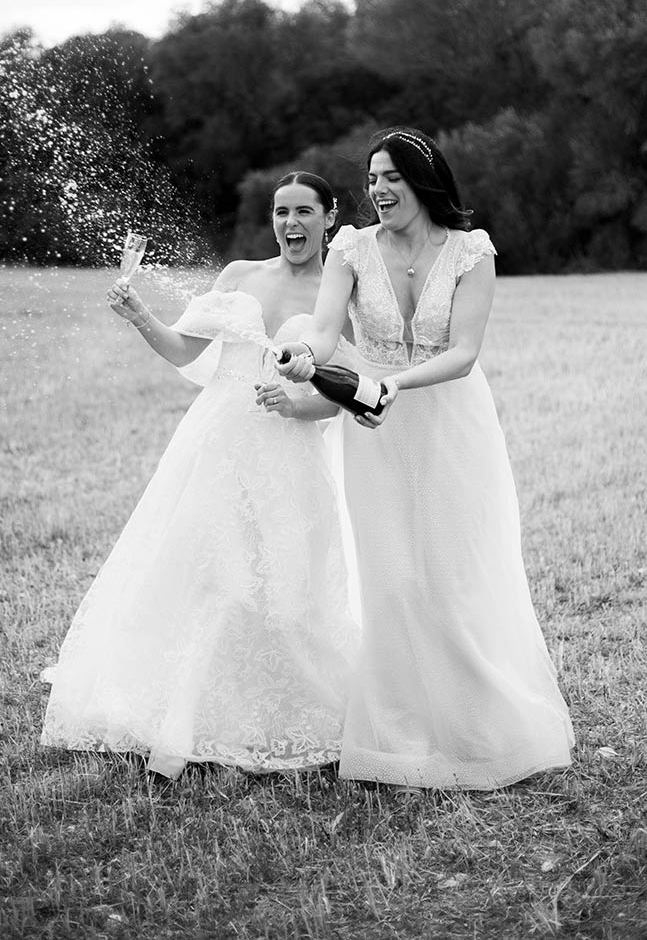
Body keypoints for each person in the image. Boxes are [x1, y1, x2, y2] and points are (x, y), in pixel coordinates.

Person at [278, 127, 574, 789]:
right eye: (372, 178)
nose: (379, 189)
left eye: (392, 177)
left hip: (452, 422)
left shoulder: (471, 251)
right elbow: (324, 332)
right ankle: (399, 737)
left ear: (424, 180)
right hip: (375, 429)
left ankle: (476, 728)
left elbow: (463, 353)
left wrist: (393, 384)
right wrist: (303, 356)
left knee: (454, 571)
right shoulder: (350, 248)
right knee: (391, 577)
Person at [41, 172, 358, 778]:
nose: (291, 223)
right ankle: (190, 714)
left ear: (329, 218)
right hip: (217, 444)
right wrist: (139, 313)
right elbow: (185, 350)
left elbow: (343, 392)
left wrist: (299, 404)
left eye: (304, 212)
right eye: (281, 211)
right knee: (212, 574)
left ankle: (274, 708)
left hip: (289, 456)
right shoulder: (239, 275)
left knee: (284, 584)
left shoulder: (338, 296)